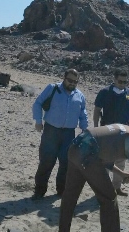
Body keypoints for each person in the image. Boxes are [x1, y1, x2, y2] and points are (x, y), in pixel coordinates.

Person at [31, 69, 88, 200]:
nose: (72, 83)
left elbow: (83, 114)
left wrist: (85, 130)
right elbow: (38, 103)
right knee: (46, 161)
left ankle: (61, 190)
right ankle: (39, 190)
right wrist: (38, 121)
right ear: (64, 78)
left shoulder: (79, 95)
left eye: (75, 81)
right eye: (70, 80)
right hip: (51, 131)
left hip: (69, 134)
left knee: (66, 163)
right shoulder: (53, 88)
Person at [93, 68, 129, 196]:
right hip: (107, 132)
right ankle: (103, 188)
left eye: (125, 82)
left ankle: (117, 187)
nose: (122, 84)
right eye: (120, 81)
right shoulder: (105, 93)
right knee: (105, 161)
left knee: (120, 161)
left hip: (124, 134)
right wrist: (96, 127)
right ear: (114, 79)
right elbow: (97, 110)